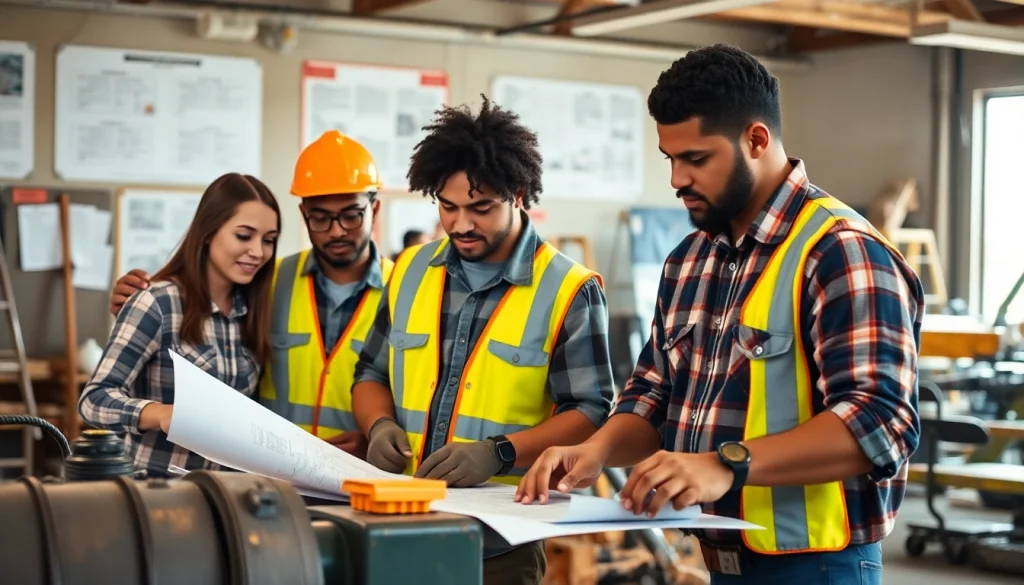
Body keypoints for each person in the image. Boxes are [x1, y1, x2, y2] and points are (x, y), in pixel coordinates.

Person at [516, 44, 925, 585]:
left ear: (756, 140)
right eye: (670, 159)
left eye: (696, 159)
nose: (676, 179)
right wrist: (594, 450)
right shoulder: (689, 260)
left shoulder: (841, 252)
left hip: (818, 565)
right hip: (719, 560)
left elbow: (881, 423)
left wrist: (725, 463)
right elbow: (653, 394)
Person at [350, 96, 615, 585]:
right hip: (396, 527)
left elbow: (591, 411)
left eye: (481, 208)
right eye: (448, 207)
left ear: (518, 194)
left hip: (500, 545)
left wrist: (499, 453)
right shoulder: (409, 270)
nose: (461, 224)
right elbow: (370, 372)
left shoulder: (569, 289)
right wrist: (379, 424)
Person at [108, 131, 392, 460]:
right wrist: (135, 303)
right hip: (269, 470)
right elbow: (195, 304)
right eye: (320, 218)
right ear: (304, 214)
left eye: (352, 215)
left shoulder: (402, 290)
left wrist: (375, 435)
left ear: (374, 209)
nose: (337, 230)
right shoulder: (266, 282)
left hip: (358, 472)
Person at [80, 173, 281, 478]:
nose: (258, 251)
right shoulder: (158, 303)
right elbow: (94, 401)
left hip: (227, 493)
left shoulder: (252, 312)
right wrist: (161, 414)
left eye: (268, 240)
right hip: (155, 492)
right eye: (244, 236)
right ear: (209, 232)